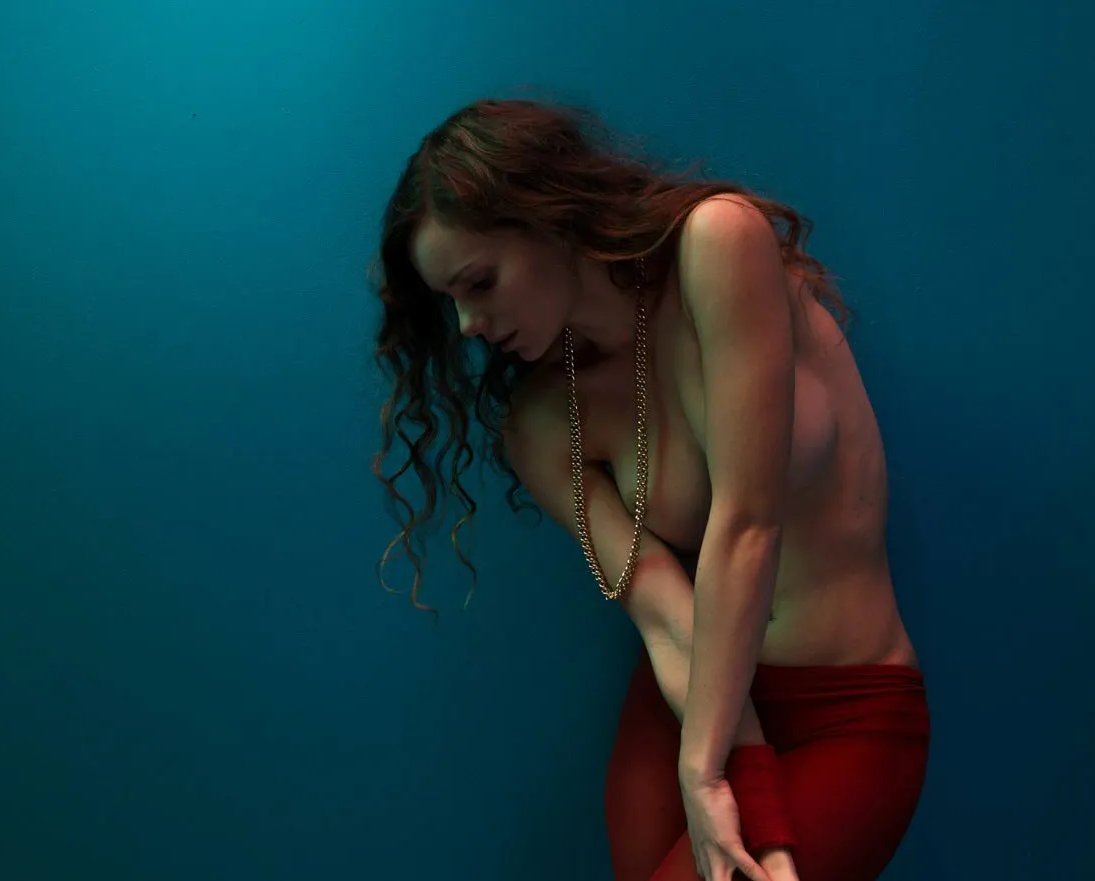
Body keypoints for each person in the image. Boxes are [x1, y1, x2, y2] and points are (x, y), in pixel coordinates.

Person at [370, 97, 929, 881]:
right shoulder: (542, 423)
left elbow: (749, 523)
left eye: (480, 282)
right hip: (687, 708)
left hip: (846, 709)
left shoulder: (718, 244)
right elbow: (667, 617)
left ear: (547, 217)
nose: (467, 324)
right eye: (451, 303)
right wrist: (726, 775)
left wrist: (715, 779)